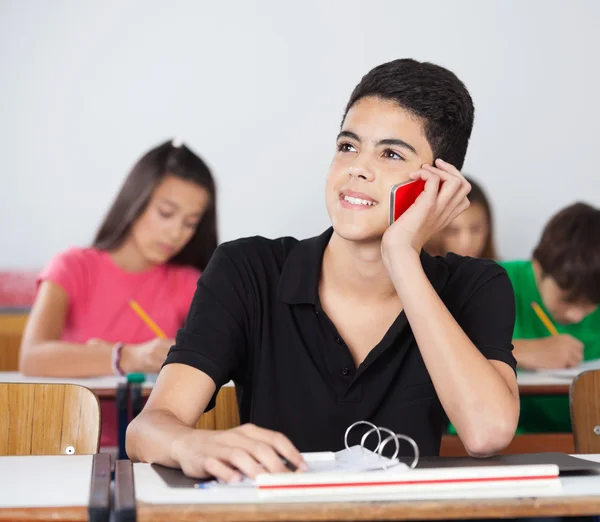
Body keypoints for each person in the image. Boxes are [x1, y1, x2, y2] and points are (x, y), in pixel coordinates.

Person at [127, 58, 519, 482]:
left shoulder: (477, 285)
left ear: (440, 184)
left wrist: (403, 256)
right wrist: (190, 444)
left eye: (390, 154)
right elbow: (146, 429)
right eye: (347, 146)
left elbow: (487, 432)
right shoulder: (247, 269)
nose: (356, 168)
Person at [19, 139, 218, 445]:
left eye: (190, 223)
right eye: (166, 213)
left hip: (153, 448)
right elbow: (32, 357)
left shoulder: (191, 282)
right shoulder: (72, 267)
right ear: (134, 201)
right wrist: (127, 356)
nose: (176, 233)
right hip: (70, 442)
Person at [501, 202, 600, 433]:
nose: (576, 315)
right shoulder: (492, 282)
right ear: (538, 266)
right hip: (504, 441)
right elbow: (436, 348)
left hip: (583, 439)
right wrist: (521, 351)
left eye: (591, 304)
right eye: (566, 299)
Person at [425, 176, 497, 259]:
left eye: (475, 229)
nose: (466, 242)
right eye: (453, 231)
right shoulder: (416, 270)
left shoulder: (508, 270)